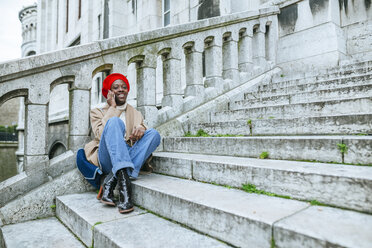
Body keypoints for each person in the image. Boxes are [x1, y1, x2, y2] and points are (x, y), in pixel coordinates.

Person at [84, 73, 161, 213]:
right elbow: (100, 135)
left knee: (154, 134)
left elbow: (144, 134)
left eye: (124, 87)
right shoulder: (96, 112)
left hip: (127, 152)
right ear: (109, 92)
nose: (121, 89)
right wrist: (113, 108)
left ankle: (113, 179)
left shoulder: (135, 113)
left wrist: (141, 129)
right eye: (116, 87)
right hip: (107, 155)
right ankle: (125, 193)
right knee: (114, 122)